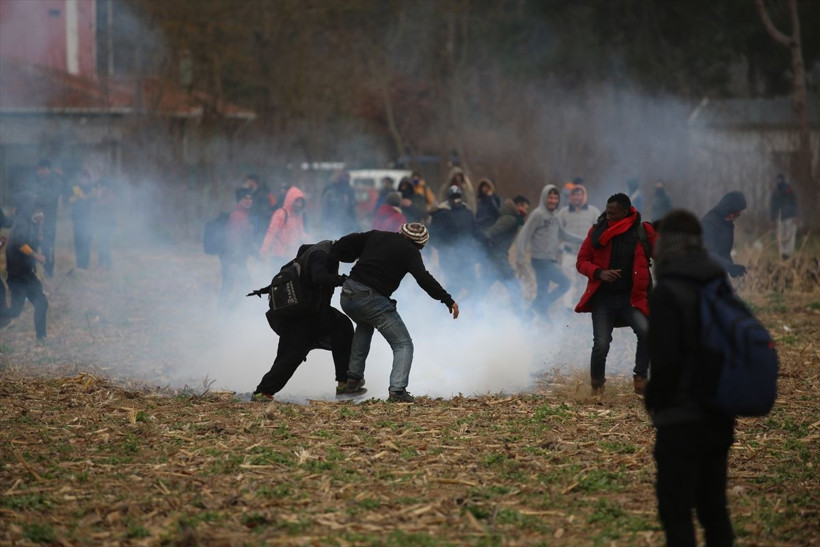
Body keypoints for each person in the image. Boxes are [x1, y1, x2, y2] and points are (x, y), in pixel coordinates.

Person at [645, 209, 735, 546]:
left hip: (681, 418)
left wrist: (655, 401)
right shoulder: (717, 279)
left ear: (668, 244)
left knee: (676, 509)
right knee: (715, 510)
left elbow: (666, 361)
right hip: (720, 412)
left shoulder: (668, 290)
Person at [330, 223, 459, 403]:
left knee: (365, 325)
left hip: (347, 294)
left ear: (402, 232)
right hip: (370, 299)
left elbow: (347, 241)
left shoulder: (376, 235)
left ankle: (353, 381)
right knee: (403, 344)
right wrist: (447, 299)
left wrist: (334, 253)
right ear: (420, 244)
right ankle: (397, 391)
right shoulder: (410, 251)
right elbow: (423, 278)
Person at [250, 241, 354, 401]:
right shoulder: (321, 254)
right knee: (291, 355)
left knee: (341, 326)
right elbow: (319, 277)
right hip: (301, 316)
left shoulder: (316, 253)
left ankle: (344, 384)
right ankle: (262, 392)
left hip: (311, 314)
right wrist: (344, 280)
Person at [575, 193, 656, 395]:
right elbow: (581, 261)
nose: (608, 216)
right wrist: (599, 273)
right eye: (607, 212)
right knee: (601, 344)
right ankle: (597, 386)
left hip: (632, 298)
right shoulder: (597, 232)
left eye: (613, 213)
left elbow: (663, 254)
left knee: (646, 332)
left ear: (626, 212)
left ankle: (640, 378)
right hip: (603, 298)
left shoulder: (642, 231)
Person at [515, 184, 583, 319]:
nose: (552, 200)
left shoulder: (555, 216)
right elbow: (524, 235)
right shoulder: (537, 214)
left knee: (542, 290)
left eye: (555, 198)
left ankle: (530, 317)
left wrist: (584, 240)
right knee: (565, 283)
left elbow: (563, 234)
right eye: (550, 197)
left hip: (549, 258)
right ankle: (540, 307)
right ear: (544, 198)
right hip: (539, 259)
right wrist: (520, 257)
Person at [3, 192, 49, 339]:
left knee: (42, 303)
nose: (39, 211)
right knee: (15, 311)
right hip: (18, 275)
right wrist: (37, 257)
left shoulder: (30, 223)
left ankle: (41, 338)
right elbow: (19, 243)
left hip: (28, 274)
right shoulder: (21, 222)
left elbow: (35, 241)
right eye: (36, 208)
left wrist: (39, 226)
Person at [429, 185, 483, 299]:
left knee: (474, 287)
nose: (455, 199)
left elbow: (475, 230)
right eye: (453, 197)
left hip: (466, 256)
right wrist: (444, 248)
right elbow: (432, 235)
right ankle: (446, 308)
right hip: (449, 257)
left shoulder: (467, 212)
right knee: (454, 286)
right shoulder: (441, 213)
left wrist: (487, 240)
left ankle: (466, 307)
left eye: (457, 196)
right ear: (448, 198)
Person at [480, 195, 530, 310]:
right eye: (525, 208)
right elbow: (492, 231)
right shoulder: (510, 218)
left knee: (483, 286)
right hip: (498, 258)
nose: (526, 212)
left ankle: (469, 306)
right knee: (514, 286)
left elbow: (519, 225)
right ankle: (519, 314)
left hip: (496, 257)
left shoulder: (515, 217)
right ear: (518, 206)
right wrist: (487, 240)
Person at [557, 184, 601, 307]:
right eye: (574, 195)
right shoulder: (563, 213)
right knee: (568, 280)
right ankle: (567, 307)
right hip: (569, 253)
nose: (577, 197)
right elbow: (557, 231)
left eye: (579, 195)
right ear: (570, 196)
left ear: (584, 196)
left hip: (587, 254)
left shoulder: (593, 212)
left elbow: (600, 231)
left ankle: (585, 305)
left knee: (587, 280)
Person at [30, 159, 70, 277]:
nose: (40, 172)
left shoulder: (55, 182)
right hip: (34, 222)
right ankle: (32, 277)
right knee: (32, 249)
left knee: (48, 250)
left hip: (49, 223)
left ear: (48, 170)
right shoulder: (34, 182)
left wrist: (64, 176)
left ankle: (48, 276)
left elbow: (54, 197)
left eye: (42, 169)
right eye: (38, 169)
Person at [219, 188, 256, 310]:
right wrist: (233, 261)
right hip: (234, 258)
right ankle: (227, 312)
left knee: (229, 285)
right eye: (245, 198)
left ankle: (223, 312)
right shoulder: (238, 216)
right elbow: (233, 240)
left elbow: (246, 240)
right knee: (244, 284)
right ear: (239, 200)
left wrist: (256, 254)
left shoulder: (244, 214)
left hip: (237, 257)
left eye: (250, 198)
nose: (248, 201)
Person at [702, 191, 747, 278]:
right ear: (727, 208)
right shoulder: (709, 223)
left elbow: (724, 252)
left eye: (738, 214)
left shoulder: (727, 223)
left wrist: (732, 268)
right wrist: (729, 266)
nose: (735, 217)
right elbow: (708, 252)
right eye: (735, 213)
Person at [261, 186, 309, 265]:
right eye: (296, 201)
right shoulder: (281, 214)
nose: (299, 205)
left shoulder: (298, 217)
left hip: (291, 255)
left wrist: (311, 244)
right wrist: (264, 251)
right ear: (290, 200)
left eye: (301, 202)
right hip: (278, 254)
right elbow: (271, 233)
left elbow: (301, 233)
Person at [69, 169, 97, 269]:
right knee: (78, 242)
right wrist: (78, 197)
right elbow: (69, 200)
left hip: (89, 220)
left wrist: (87, 197)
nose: (84, 180)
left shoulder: (93, 189)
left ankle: (85, 264)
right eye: (83, 178)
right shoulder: (75, 188)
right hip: (77, 219)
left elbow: (95, 199)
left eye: (86, 178)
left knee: (87, 242)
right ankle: (79, 264)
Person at [320, 170, 358, 238]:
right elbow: (325, 208)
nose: (346, 180)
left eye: (347, 178)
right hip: (333, 222)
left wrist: (354, 226)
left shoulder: (349, 190)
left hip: (346, 223)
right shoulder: (330, 190)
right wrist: (326, 223)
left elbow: (351, 209)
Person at [770, 173, 798, 260]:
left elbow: (794, 203)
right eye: (777, 180)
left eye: (780, 179)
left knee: (790, 236)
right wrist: (773, 220)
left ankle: (788, 254)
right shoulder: (775, 192)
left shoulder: (789, 191)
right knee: (780, 237)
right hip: (780, 218)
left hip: (790, 217)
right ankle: (782, 254)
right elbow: (773, 206)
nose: (779, 181)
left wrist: (795, 215)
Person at [243, 174, 277, 246]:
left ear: (253, 181)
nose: (246, 183)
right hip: (256, 226)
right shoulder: (254, 193)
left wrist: (255, 223)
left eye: (248, 181)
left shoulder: (262, 194)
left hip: (261, 228)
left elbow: (264, 212)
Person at [94, 178, 116, 270]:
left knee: (104, 244)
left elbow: (104, 206)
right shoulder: (102, 195)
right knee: (101, 243)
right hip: (102, 223)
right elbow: (95, 209)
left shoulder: (109, 194)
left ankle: (107, 265)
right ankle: (101, 264)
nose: (98, 188)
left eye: (99, 186)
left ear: (104, 187)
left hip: (108, 224)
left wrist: (98, 197)